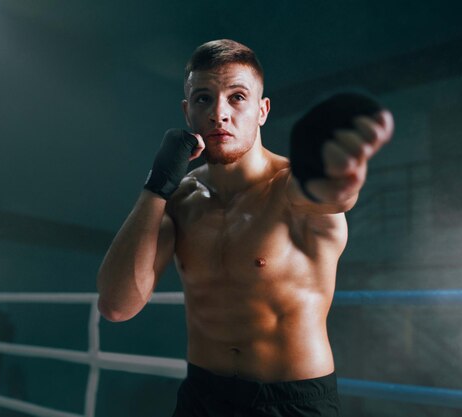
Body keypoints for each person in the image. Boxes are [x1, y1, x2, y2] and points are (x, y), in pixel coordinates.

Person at [97, 39, 394, 416]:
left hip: (290, 404)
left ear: (262, 110)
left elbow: (336, 194)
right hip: (202, 397)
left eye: (237, 97)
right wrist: (155, 186)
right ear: (188, 112)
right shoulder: (180, 199)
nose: (219, 113)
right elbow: (116, 306)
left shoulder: (291, 188)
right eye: (204, 99)